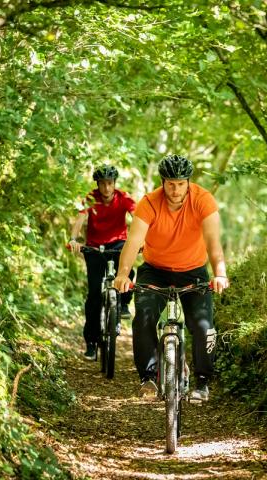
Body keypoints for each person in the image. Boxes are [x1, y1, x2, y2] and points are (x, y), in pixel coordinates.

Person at [113, 153, 229, 402]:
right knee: (143, 319)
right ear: (163, 182)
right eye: (170, 184)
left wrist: (220, 273)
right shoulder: (149, 203)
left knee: (202, 326)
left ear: (189, 182)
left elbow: (213, 243)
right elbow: (133, 243)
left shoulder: (203, 201)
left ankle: (202, 382)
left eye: (181, 184)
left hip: (194, 270)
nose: (175, 190)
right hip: (155, 269)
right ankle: (148, 378)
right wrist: (123, 273)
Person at [69, 165, 137, 360]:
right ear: (97, 184)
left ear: (114, 184)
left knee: (127, 269)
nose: (106, 188)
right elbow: (80, 219)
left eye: (109, 183)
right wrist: (74, 239)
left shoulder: (123, 197)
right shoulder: (91, 198)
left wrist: (142, 241)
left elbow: (138, 217)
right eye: (102, 184)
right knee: (94, 297)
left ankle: (123, 303)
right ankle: (91, 342)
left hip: (118, 244)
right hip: (95, 247)